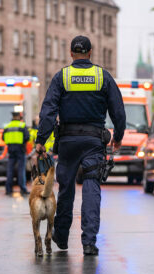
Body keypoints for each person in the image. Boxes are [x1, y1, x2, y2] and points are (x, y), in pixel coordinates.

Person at [35, 35, 126, 256]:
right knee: (91, 188)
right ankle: (89, 242)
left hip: (67, 142)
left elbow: (48, 111)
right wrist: (119, 135)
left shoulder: (62, 76)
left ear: (71, 53)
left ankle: (63, 237)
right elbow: (118, 109)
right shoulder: (102, 76)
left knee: (66, 189)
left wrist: (41, 140)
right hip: (94, 142)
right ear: (90, 52)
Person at [2, 112, 30, 195]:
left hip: (11, 149)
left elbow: (3, 138)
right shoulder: (22, 125)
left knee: (10, 170)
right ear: (18, 116)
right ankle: (23, 189)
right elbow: (27, 137)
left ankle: (8, 189)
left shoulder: (7, 126)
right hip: (20, 150)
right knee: (21, 170)